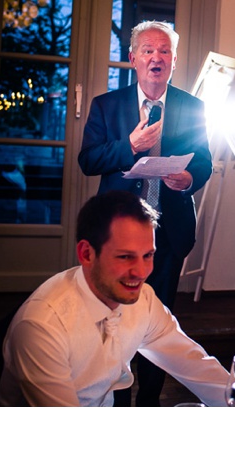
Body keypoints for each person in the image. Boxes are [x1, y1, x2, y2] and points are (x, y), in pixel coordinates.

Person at [78, 20, 212, 406]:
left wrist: (188, 178)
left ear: (174, 60)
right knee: (116, 318)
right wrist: (129, 146)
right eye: (149, 51)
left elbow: (203, 161)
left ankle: (149, 401)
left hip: (168, 231)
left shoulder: (193, 107)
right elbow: (88, 159)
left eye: (165, 51)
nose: (157, 57)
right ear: (134, 58)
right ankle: (117, 399)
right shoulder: (107, 105)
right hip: (118, 235)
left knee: (160, 320)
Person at [0, 191, 230, 407]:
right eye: (125, 257)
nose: (141, 272)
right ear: (86, 254)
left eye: (148, 255)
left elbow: (195, 365)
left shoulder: (143, 300)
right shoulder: (42, 326)